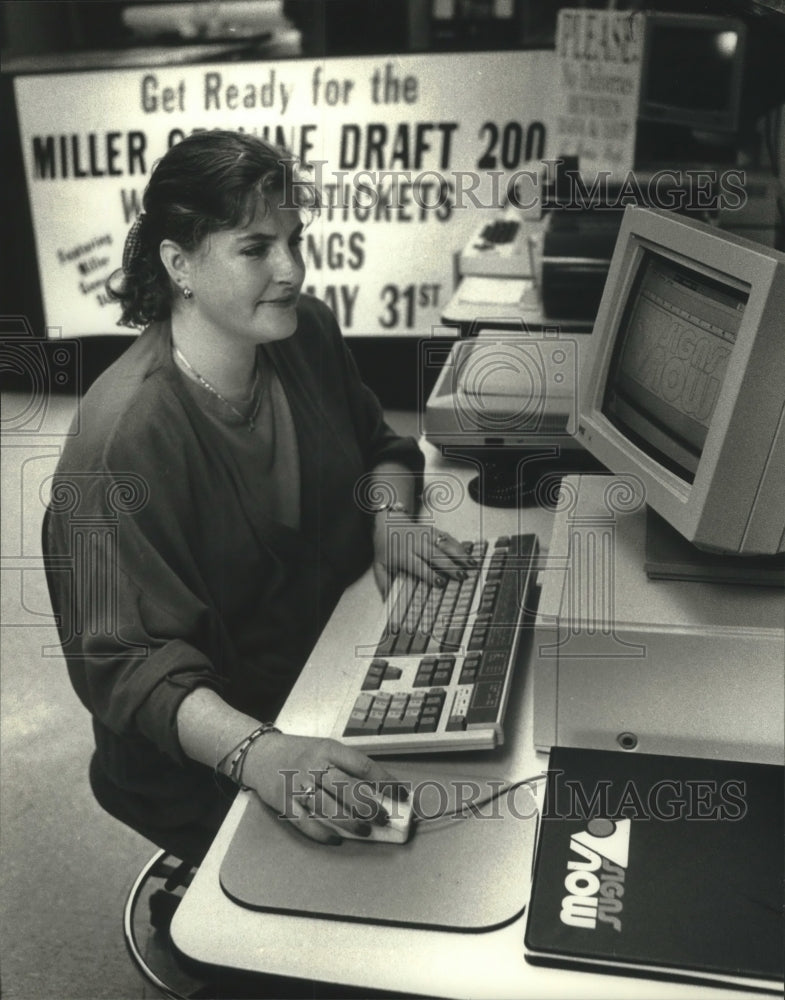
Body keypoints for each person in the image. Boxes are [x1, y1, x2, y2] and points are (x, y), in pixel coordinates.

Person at [44, 130, 474, 866]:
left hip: (331, 668)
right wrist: (260, 754)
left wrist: (390, 520)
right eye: (255, 249)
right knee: (408, 863)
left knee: (466, 804)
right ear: (179, 264)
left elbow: (381, 448)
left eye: (294, 240)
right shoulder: (121, 439)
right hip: (206, 750)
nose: (293, 270)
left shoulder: (303, 336)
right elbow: (128, 666)